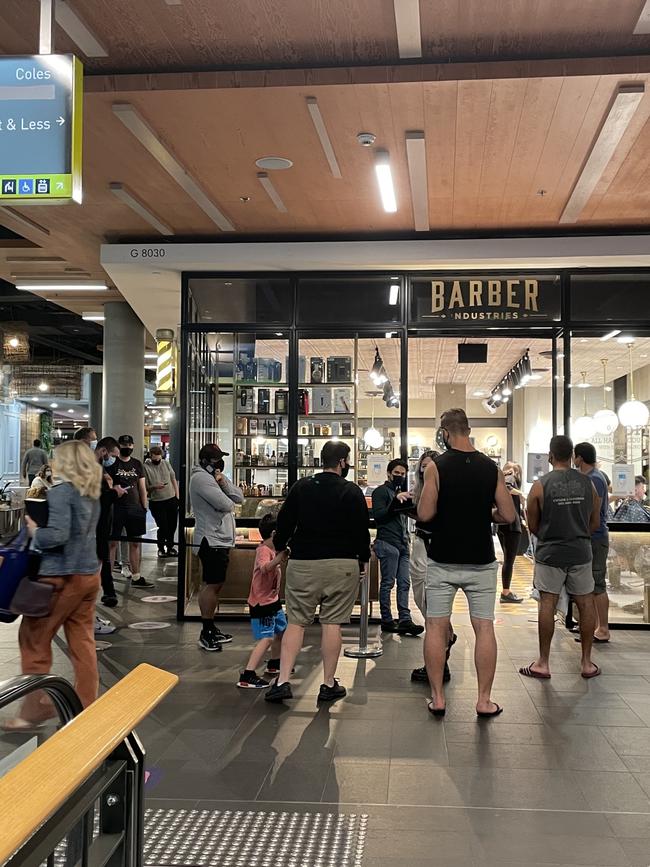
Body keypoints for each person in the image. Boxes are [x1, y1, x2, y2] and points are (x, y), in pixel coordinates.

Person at [418, 408, 516, 718]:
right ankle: (484, 701)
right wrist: (484, 513)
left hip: (443, 558)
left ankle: (438, 699)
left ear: (445, 433)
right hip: (481, 560)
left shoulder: (436, 466)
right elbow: (509, 515)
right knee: (484, 628)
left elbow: (424, 514)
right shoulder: (491, 468)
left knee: (435, 626)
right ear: (468, 430)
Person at [5, 441, 102, 730]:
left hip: (60, 578)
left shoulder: (60, 494)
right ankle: (85, 705)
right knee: (83, 643)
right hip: (88, 576)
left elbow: (56, 536)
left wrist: (36, 532)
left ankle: (34, 710)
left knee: (34, 640)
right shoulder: (91, 494)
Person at [265, 441, 371, 703]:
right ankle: (327, 684)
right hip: (341, 564)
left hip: (304, 562)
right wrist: (364, 559)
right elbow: (361, 530)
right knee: (332, 623)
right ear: (343, 462)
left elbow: (285, 523)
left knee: (296, 622)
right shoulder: (351, 491)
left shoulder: (302, 487)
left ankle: (283, 681)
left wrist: (281, 548)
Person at [520, 435, 601, 681]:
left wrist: (548, 535)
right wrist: (578, 535)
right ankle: (586, 662)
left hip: (550, 553)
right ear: (572, 455)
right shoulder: (589, 484)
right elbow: (595, 521)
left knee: (547, 603)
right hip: (580, 551)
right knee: (586, 603)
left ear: (551, 456)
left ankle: (543, 663)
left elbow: (531, 522)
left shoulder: (540, 485)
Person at [189, 443, 243, 651]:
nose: (219, 463)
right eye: (216, 460)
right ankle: (206, 630)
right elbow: (227, 505)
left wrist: (224, 482)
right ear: (206, 462)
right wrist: (222, 489)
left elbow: (238, 497)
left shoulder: (214, 478)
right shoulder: (201, 479)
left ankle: (210, 628)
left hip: (220, 539)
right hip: (210, 540)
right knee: (211, 584)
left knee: (216, 584)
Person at [409, 450, 456, 685]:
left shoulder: (444, 490)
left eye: (430, 466)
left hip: (437, 548)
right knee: (422, 600)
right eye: (422, 466)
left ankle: (438, 662)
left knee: (434, 606)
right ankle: (444, 642)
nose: (425, 470)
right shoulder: (418, 489)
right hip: (420, 545)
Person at [372, 458, 423, 636]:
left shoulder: (399, 492)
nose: (400, 476)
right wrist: (395, 501)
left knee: (404, 583)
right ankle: (386, 619)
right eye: (397, 473)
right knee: (388, 582)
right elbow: (379, 517)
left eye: (402, 474)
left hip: (402, 542)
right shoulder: (380, 492)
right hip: (387, 543)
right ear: (388, 473)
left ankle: (405, 619)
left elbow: (405, 516)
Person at [237, 514, 288, 688]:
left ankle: (275, 663)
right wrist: (279, 559)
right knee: (266, 638)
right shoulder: (263, 550)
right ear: (274, 533)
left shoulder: (274, 549)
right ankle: (248, 674)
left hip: (272, 600)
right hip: (261, 603)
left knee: (282, 630)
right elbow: (265, 568)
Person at [574, 442, 611, 643]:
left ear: (580, 457)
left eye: (575, 456)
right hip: (592, 537)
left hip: (595, 538)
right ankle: (593, 626)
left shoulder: (594, 479)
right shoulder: (591, 477)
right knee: (591, 584)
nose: (573, 459)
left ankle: (602, 628)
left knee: (597, 583)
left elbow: (591, 512)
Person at [108, 434, 152, 589]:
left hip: (135, 507)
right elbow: (108, 483)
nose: (127, 448)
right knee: (112, 542)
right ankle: (108, 578)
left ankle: (136, 576)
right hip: (116, 507)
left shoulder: (137, 464)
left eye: (129, 445)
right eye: (124, 445)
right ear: (119, 446)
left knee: (135, 543)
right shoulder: (112, 464)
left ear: (133, 446)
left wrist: (144, 506)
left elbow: (142, 486)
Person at [497, 461, 525, 604]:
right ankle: (506, 591)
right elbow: (508, 487)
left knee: (508, 560)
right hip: (511, 526)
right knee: (509, 560)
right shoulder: (510, 479)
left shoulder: (502, 480)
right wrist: (522, 494)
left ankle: (506, 590)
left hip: (502, 525)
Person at [144, 446, 179, 558]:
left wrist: (177, 495)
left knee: (172, 525)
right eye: (155, 460)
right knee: (163, 526)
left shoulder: (166, 463)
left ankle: (170, 547)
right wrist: (154, 486)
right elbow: (145, 487)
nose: (158, 461)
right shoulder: (145, 467)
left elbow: (173, 478)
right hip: (157, 501)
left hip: (171, 498)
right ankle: (160, 548)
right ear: (151, 457)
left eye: (159, 459)